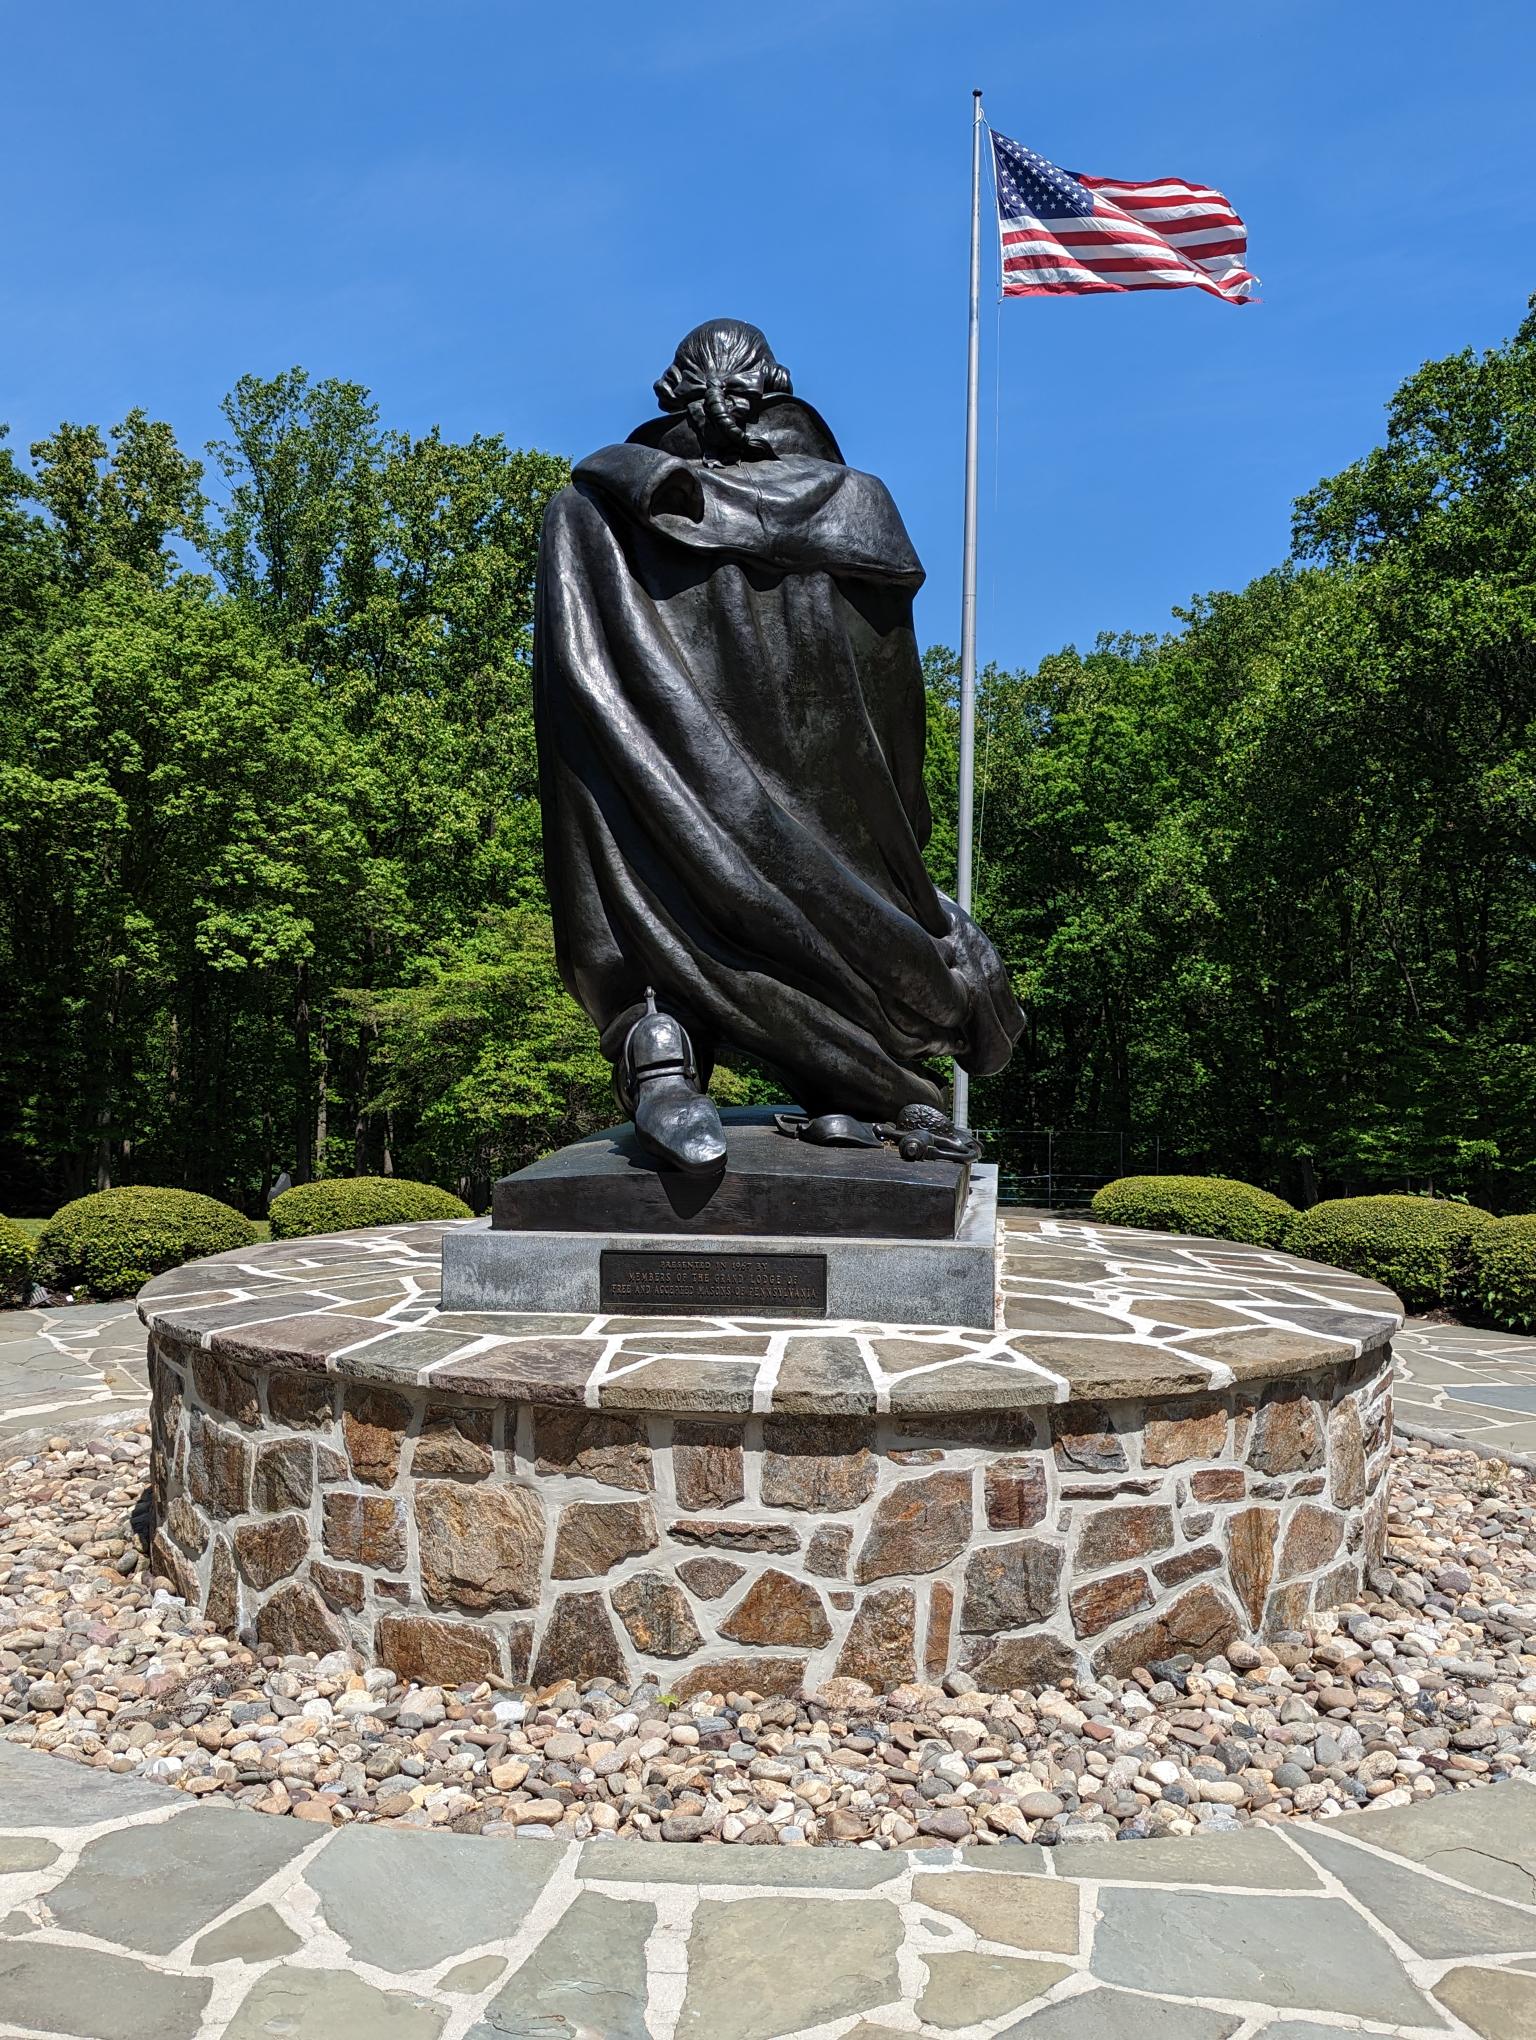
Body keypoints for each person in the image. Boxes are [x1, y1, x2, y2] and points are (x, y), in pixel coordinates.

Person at [534, 319, 1023, 1175]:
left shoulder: (592, 510)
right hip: (828, 837)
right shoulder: (858, 507)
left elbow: (578, 688)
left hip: (658, 812)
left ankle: (660, 1042)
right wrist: (901, 846)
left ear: (670, 393)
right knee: (835, 921)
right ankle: (850, 1078)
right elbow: (893, 708)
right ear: (780, 385)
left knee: (659, 894)